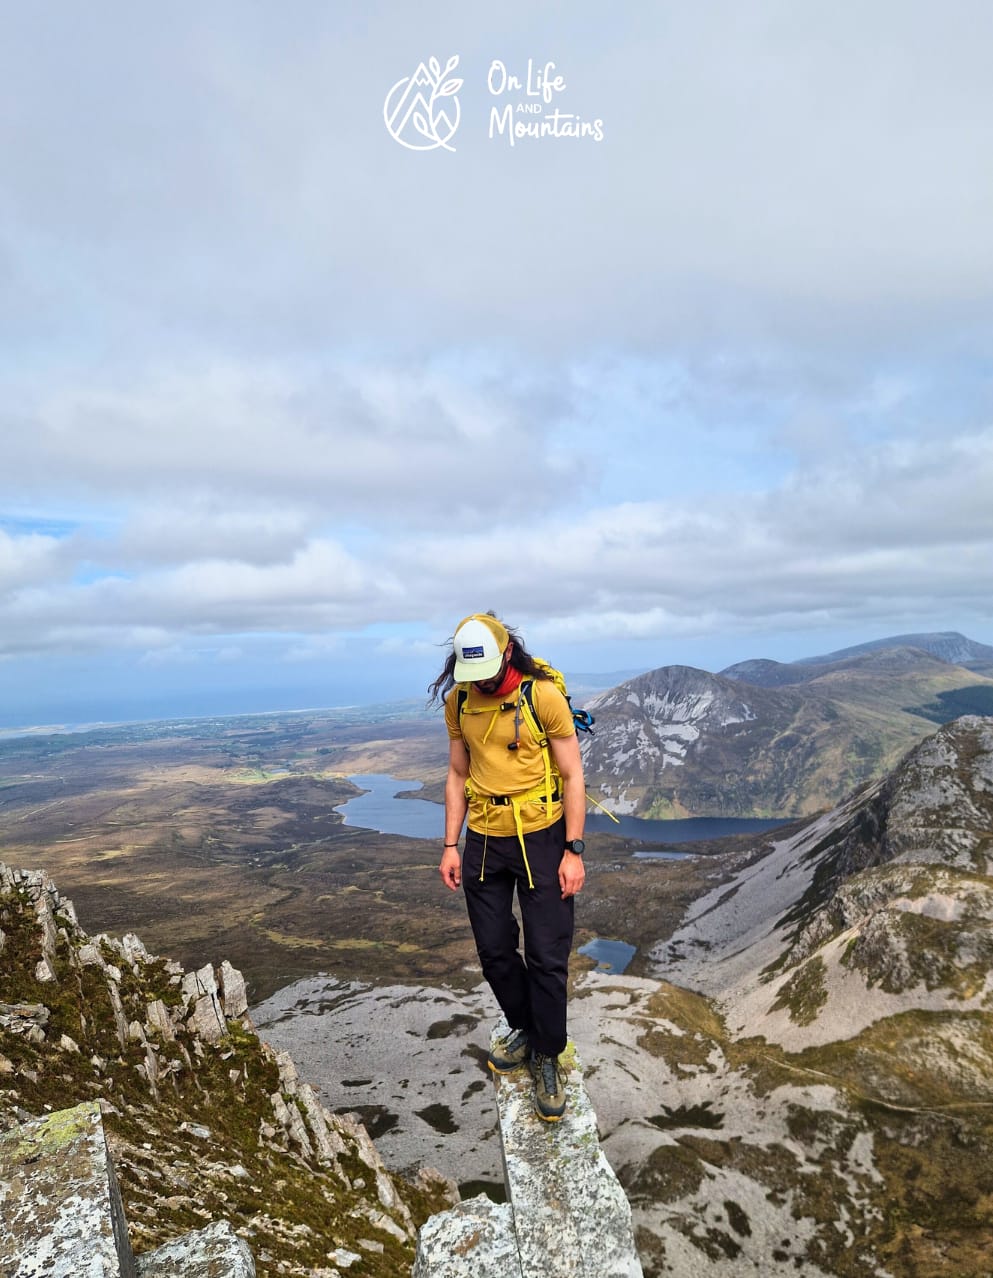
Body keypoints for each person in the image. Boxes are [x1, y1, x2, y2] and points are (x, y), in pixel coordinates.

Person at [430, 612, 587, 1121]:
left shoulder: (541, 696)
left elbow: (572, 773)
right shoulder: (459, 700)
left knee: (546, 954)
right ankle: (527, 1027)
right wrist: (451, 844)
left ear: (506, 655)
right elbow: (457, 773)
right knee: (495, 951)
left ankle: (548, 1053)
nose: (483, 685)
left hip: (541, 837)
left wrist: (574, 850)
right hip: (483, 839)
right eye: (472, 677)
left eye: (489, 675)